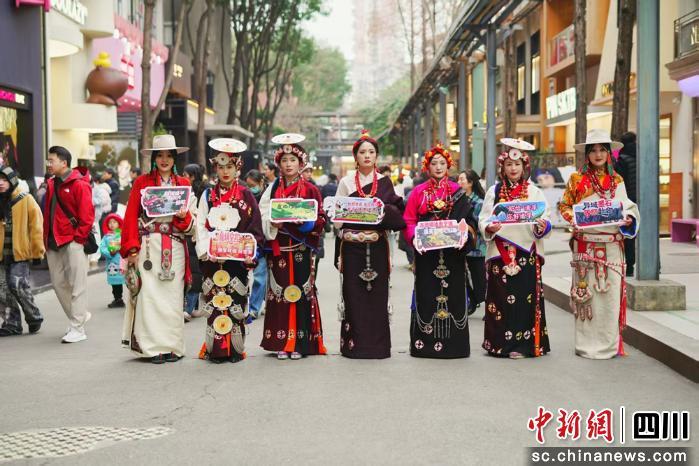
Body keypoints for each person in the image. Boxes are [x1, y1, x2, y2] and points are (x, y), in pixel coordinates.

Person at [559, 129, 639, 359]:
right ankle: (586, 344)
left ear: (608, 153)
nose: (597, 154)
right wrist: (575, 218)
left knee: (610, 299)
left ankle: (609, 345)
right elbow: (564, 206)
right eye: (593, 150)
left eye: (602, 149)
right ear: (587, 154)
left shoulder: (617, 180)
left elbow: (627, 207)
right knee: (586, 296)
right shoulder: (577, 180)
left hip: (612, 247)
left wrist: (628, 218)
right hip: (585, 246)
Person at [120, 135, 196, 364]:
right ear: (154, 158)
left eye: (169, 155)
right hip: (148, 246)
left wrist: (183, 217)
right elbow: (130, 216)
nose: (164, 160)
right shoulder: (142, 183)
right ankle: (152, 348)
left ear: (174, 159)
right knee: (149, 296)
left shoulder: (183, 184)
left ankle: (172, 346)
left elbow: (191, 224)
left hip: (175, 245)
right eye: (160, 155)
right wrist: (132, 249)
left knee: (173, 297)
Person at [334, 130, 406, 358]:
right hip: (352, 247)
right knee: (353, 295)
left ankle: (378, 346)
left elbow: (397, 213)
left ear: (376, 156)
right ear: (355, 156)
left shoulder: (385, 182)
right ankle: (354, 346)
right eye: (362, 152)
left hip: (376, 247)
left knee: (377, 295)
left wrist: (383, 212)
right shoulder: (346, 182)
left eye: (371, 152)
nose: (367, 156)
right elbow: (337, 217)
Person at [479, 138, 552, 359]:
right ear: (502, 167)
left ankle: (524, 345)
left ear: (524, 166)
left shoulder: (534, 192)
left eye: (517, 164)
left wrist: (542, 226)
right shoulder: (494, 191)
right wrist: (489, 227)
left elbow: (545, 218)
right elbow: (483, 218)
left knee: (524, 300)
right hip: (500, 253)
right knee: (499, 300)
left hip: (526, 252)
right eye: (509, 164)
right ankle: (498, 344)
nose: (513, 168)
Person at [403, 143, 477, 359]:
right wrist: (415, 238)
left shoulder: (457, 192)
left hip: (453, 256)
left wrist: (463, 233)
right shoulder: (418, 192)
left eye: (442, 163)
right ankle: (423, 345)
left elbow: (469, 222)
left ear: (448, 166)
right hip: (426, 256)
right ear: (427, 167)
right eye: (434, 163)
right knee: (426, 295)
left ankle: (455, 347)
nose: (438, 167)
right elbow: (409, 220)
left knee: (454, 297)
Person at [259, 133, 327, 360]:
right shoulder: (272, 189)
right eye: (284, 160)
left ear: (301, 163)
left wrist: (307, 224)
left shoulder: (310, 189)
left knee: (301, 293)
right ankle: (281, 341)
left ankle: (299, 342)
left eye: (293, 160)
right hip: (279, 250)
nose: (288, 164)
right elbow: (262, 214)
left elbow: (321, 219)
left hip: (301, 250)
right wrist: (272, 223)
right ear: (279, 164)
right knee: (279, 294)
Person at [195, 139, 264, 363]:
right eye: (221, 167)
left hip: (236, 262)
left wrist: (250, 253)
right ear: (215, 168)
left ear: (238, 168)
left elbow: (255, 227)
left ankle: (235, 349)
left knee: (236, 303)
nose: (225, 171)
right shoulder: (207, 195)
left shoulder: (246, 195)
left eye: (230, 167)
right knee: (215, 303)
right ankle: (215, 350)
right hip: (212, 260)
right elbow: (200, 226)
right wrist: (205, 251)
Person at [43, 146, 95, 343]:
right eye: (48, 160)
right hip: (53, 241)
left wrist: (78, 239)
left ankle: (78, 328)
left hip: (73, 240)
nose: (48, 164)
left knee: (77, 286)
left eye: (52, 160)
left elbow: (87, 215)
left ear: (64, 163)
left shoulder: (79, 184)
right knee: (58, 284)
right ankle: (79, 315)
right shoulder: (51, 183)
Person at [0, 166, 45, 337]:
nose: (1, 183)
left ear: (12, 181)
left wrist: (37, 252)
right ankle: (12, 323)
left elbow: (36, 227)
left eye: (4, 179)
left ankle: (34, 316)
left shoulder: (25, 199)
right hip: (1, 253)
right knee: (2, 289)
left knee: (17, 285)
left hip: (19, 252)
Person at [458, 169, 486, 316]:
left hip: (477, 246)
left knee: (479, 278)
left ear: (470, 183)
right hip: (462, 245)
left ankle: (486, 304)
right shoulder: (459, 199)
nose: (459, 182)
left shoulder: (479, 202)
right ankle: (473, 301)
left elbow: (479, 225)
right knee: (462, 276)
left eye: (462, 179)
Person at [182, 163, 206, 321]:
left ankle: (189, 308)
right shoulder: (183, 190)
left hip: (196, 234)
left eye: (185, 175)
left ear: (193, 176)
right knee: (191, 271)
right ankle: (193, 307)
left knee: (195, 271)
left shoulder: (203, 192)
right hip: (186, 232)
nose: (183, 177)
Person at [613, 131, 637, 277]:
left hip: (628, 202)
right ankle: (655, 265)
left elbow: (619, 183)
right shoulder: (643, 156)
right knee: (649, 235)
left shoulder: (622, 159)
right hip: (644, 201)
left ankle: (629, 267)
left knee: (629, 235)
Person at [245, 168, 267, 319]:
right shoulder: (245, 197)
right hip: (249, 241)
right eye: (248, 186)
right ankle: (252, 306)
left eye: (253, 185)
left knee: (260, 276)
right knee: (257, 276)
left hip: (265, 243)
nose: (250, 189)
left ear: (261, 182)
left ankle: (254, 307)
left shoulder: (268, 197)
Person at [100, 213, 125, 308]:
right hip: (112, 264)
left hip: (122, 262)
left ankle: (133, 298)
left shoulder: (121, 235)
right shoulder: (106, 237)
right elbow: (102, 248)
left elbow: (125, 245)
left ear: (119, 223)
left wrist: (119, 248)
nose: (112, 224)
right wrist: (109, 253)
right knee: (115, 283)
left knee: (127, 280)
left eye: (114, 222)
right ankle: (118, 299)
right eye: (110, 222)